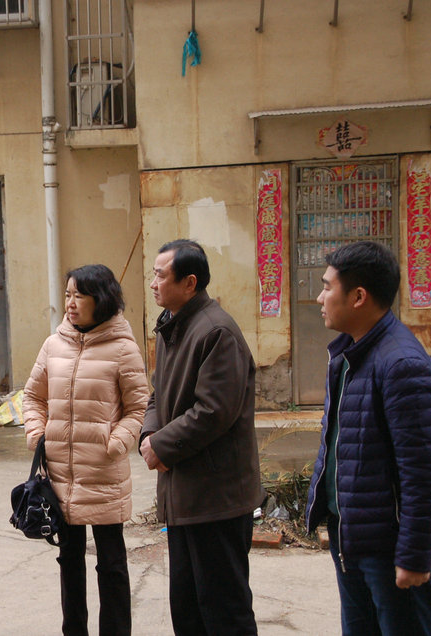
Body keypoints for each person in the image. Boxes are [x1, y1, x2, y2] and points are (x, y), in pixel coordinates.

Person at [305, 240, 431, 636]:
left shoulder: (401, 364)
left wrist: (415, 554)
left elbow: (426, 473)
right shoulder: (349, 354)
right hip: (352, 537)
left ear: (358, 297)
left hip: (388, 549)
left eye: (327, 287)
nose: (319, 298)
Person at [139, 239, 262, 635]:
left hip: (216, 499)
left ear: (189, 283)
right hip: (184, 495)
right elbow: (158, 393)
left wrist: (161, 445)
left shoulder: (216, 331)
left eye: (161, 276)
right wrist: (149, 433)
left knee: (224, 610)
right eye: (154, 274)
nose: (153, 284)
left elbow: (214, 411)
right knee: (188, 608)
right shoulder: (171, 326)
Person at [22, 264, 149, 636]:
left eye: (79, 295)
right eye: (68, 295)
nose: (71, 303)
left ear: (101, 299)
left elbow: (139, 408)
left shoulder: (123, 349)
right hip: (59, 473)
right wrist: (38, 433)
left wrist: (116, 443)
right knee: (69, 561)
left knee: (111, 563)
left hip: (103, 472)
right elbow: (32, 396)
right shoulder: (54, 345)